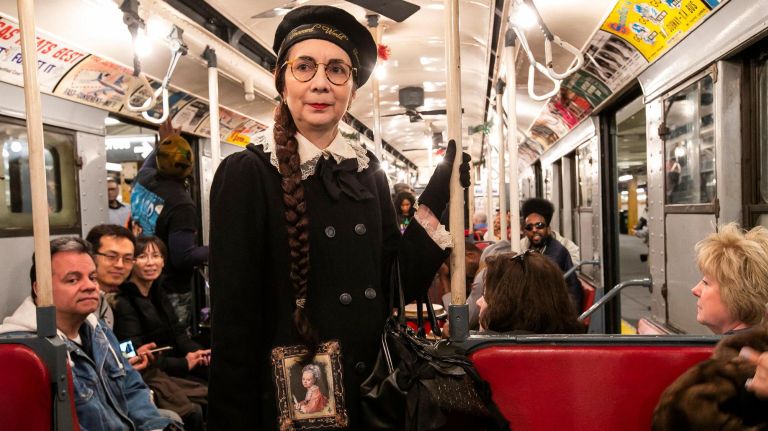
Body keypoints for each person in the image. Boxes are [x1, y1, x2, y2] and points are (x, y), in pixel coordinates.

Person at [208, 6, 470, 430]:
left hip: (371, 389)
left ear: (351, 88)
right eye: (304, 67)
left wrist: (438, 193)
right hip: (295, 399)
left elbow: (393, 283)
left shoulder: (365, 173)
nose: (320, 83)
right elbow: (233, 327)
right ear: (282, 79)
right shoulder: (248, 174)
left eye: (336, 70)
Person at [0, 237, 179, 431]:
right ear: (40, 289)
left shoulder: (98, 329)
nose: (90, 286)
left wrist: (153, 426)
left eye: (92, 278)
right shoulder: (31, 353)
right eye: (73, 279)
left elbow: (131, 386)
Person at [112, 236, 209, 431]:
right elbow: (131, 353)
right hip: (148, 373)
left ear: (164, 261)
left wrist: (199, 353)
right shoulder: (123, 302)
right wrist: (184, 363)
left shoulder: (158, 291)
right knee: (195, 410)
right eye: (142, 256)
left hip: (167, 367)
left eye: (156, 256)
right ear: (132, 263)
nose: (150, 262)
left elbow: (178, 333)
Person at [131, 121, 208, 330]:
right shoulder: (181, 204)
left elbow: (152, 161)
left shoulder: (143, 179)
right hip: (171, 288)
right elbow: (183, 257)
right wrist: (220, 248)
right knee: (175, 339)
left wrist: (164, 142)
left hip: (141, 281)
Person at [476, 250, 583, 334]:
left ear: (507, 306)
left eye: (486, 295)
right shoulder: (577, 350)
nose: (478, 302)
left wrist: (484, 329)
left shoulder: (482, 355)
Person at [690, 223, 768, 334]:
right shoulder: (755, 344)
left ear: (739, 295)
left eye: (706, 283)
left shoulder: (734, 350)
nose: (695, 290)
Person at [520, 198, 582, 311]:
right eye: (529, 227)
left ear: (548, 228)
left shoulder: (559, 251)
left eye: (539, 225)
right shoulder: (522, 246)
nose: (534, 230)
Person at [86, 224, 138, 329]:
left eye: (127, 259)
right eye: (111, 257)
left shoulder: (123, 297)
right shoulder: (82, 300)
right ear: (91, 255)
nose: (120, 265)